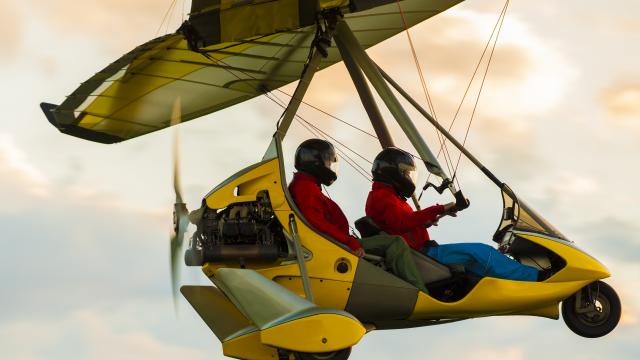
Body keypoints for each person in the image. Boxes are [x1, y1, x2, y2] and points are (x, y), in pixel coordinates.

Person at [365, 147, 542, 282]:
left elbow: (400, 225)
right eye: (407, 173)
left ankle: (521, 281)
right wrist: (438, 209)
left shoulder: (388, 197)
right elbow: (401, 223)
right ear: (394, 171)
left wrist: (437, 215)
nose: (409, 178)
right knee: (480, 252)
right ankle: (535, 277)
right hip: (421, 255)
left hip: (420, 252)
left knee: (475, 265)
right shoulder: (382, 196)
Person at [289, 139, 428, 292]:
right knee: (395, 243)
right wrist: (350, 242)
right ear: (317, 162)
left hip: (338, 242)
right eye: (329, 162)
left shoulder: (304, 185)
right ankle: (420, 291)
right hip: (338, 245)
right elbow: (317, 223)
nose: (330, 167)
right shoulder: (306, 188)